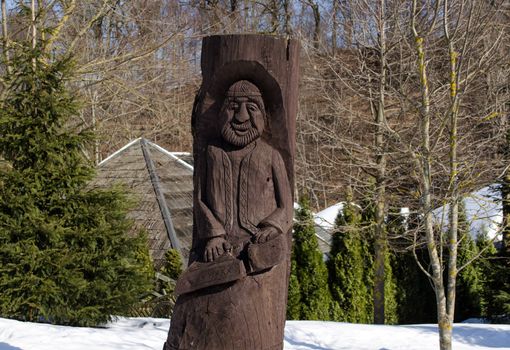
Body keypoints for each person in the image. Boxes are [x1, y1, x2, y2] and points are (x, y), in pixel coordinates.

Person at [164, 80, 292, 350]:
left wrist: (273, 226)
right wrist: (213, 234)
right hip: (216, 247)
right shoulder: (211, 153)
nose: (242, 116)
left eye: (252, 108)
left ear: (264, 116)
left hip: (257, 248)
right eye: (233, 107)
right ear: (221, 112)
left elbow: (286, 205)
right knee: (194, 301)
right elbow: (200, 198)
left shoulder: (270, 155)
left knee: (251, 306)